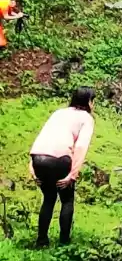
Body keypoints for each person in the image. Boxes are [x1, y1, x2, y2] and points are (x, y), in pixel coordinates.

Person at [28, 86, 95, 247]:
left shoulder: (58, 113)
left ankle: (41, 241)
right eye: (93, 101)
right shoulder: (86, 118)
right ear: (88, 102)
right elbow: (81, 147)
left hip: (39, 158)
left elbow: (42, 138)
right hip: (60, 159)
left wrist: (32, 166)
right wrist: (72, 175)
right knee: (67, 200)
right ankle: (64, 243)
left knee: (49, 198)